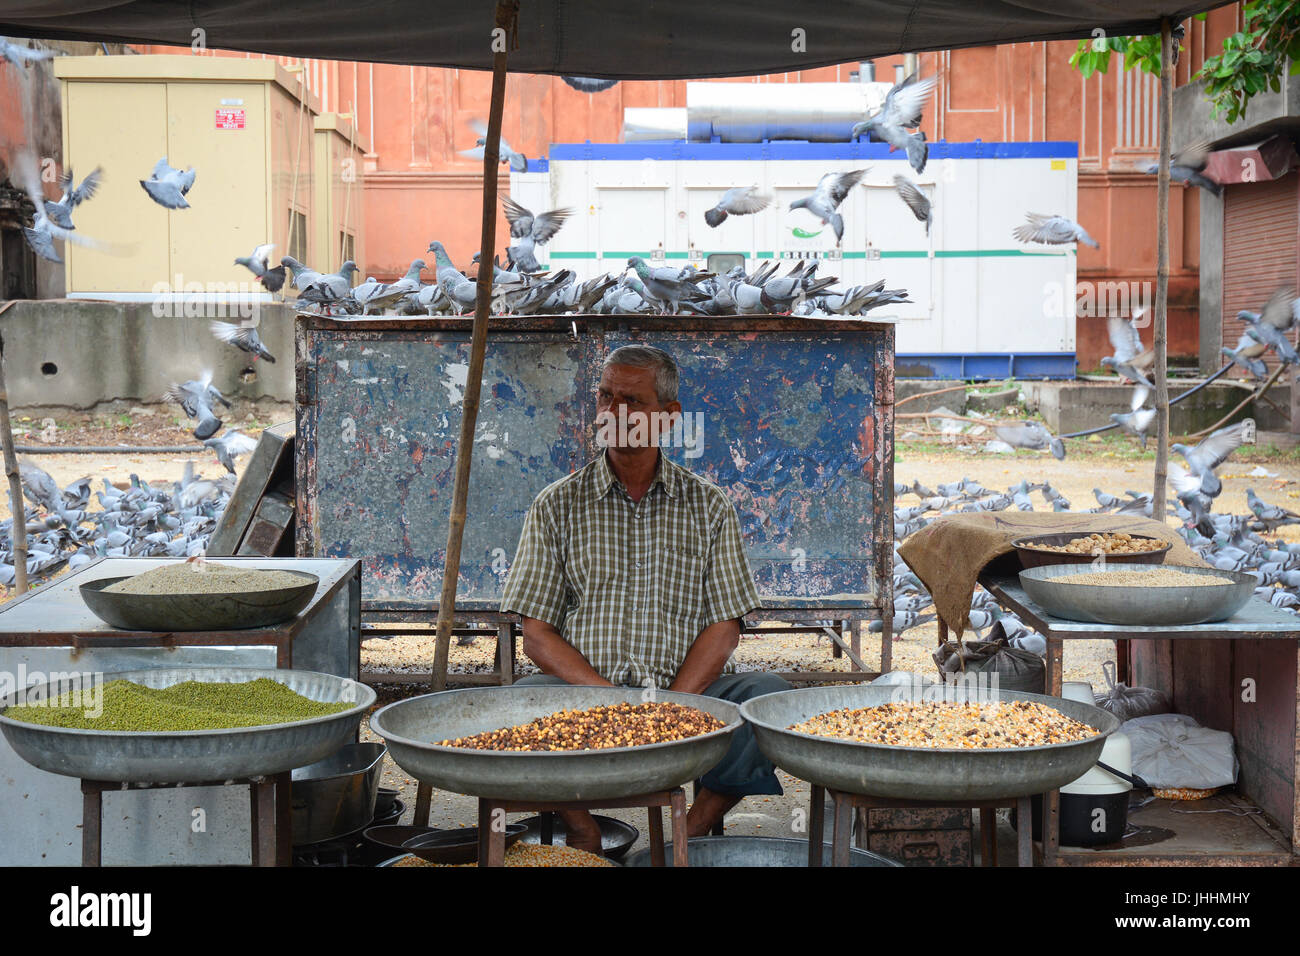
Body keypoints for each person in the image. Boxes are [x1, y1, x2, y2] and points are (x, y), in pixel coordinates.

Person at [500, 344, 791, 855]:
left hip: (685, 694)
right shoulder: (557, 504)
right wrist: (612, 697)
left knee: (766, 697)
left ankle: (689, 831)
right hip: (586, 694)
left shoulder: (708, 506)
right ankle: (583, 828)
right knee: (518, 700)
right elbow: (538, 635)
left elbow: (725, 626)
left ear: (668, 417)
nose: (614, 413)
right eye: (606, 397)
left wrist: (670, 704)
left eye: (632, 401)